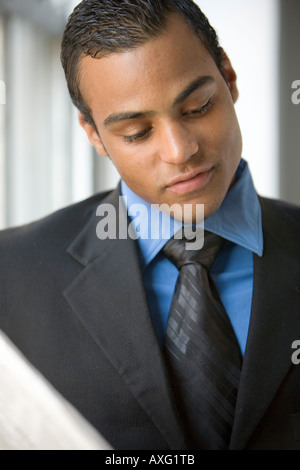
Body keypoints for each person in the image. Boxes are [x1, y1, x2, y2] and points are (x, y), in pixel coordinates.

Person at [0, 0, 300, 451]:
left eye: (198, 107)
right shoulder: (11, 273)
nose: (179, 151)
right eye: (137, 132)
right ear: (93, 134)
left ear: (229, 78)